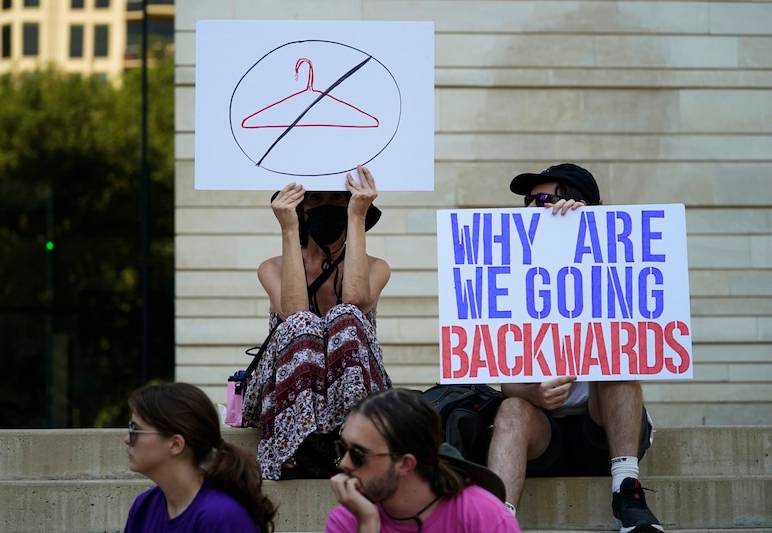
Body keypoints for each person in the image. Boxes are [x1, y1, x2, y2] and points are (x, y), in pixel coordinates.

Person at [487, 163, 664, 533]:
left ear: (574, 202)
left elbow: (639, 340)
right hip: (543, 431)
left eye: (544, 199)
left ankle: (627, 492)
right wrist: (534, 391)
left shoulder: (614, 266)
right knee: (512, 407)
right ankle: (497, 521)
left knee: (617, 365)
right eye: (529, 202)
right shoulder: (514, 275)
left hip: (602, 428)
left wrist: (591, 234)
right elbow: (506, 387)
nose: (533, 209)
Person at [243, 164, 393, 480]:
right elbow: (294, 310)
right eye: (316, 198)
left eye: (338, 198)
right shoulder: (271, 267)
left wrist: (356, 216)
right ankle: (293, 444)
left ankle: (350, 442)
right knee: (302, 324)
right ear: (302, 208)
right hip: (286, 385)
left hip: (353, 385)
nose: (328, 206)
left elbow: (353, 300)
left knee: (346, 316)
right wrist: (288, 229)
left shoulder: (377, 267)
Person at [327, 387, 522, 533]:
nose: (344, 463)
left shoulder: (482, 515)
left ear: (405, 464)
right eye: (342, 449)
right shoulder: (349, 519)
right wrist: (368, 525)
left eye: (358, 455)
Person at [123, 381, 277, 533]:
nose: (127, 440)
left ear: (175, 444)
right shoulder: (144, 507)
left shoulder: (221, 518)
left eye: (135, 431)